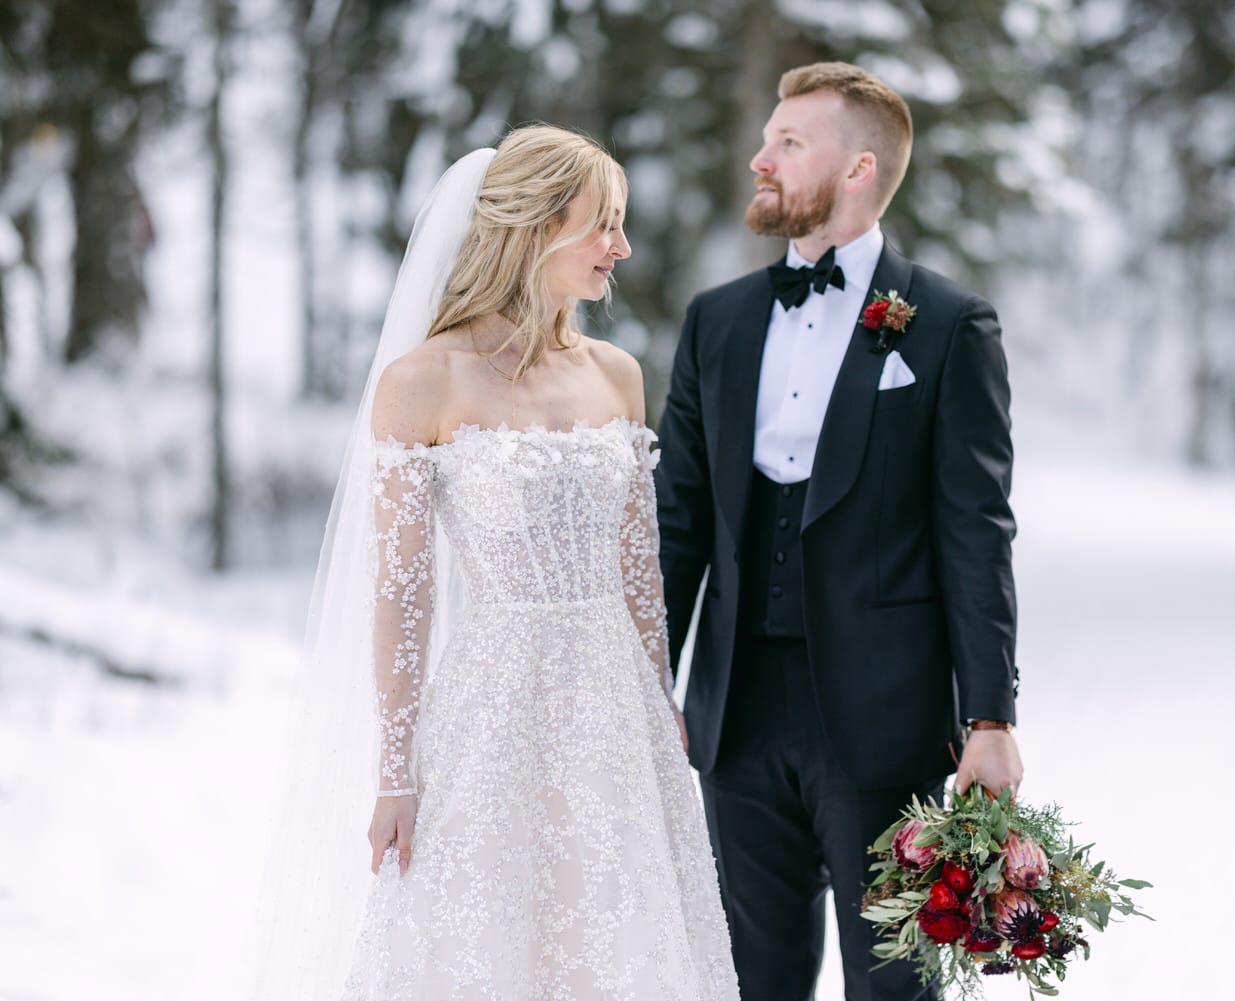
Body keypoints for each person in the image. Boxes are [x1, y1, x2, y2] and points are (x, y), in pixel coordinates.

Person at [255, 125, 737, 1001]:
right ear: (536, 225)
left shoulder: (620, 376)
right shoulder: (421, 381)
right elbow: (404, 595)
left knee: (621, 943)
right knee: (493, 941)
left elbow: (640, 569)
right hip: (494, 709)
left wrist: (658, 698)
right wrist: (395, 773)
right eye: (606, 224)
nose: (621, 248)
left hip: (619, 720)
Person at [655, 63, 1023, 1001]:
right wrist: (641, 675)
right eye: (766, 137)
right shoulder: (716, 323)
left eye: (788, 143)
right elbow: (680, 520)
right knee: (751, 980)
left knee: (895, 985)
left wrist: (989, 717)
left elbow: (975, 527)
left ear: (858, 168)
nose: (759, 158)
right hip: (734, 718)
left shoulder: (946, 326)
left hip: (885, 720)